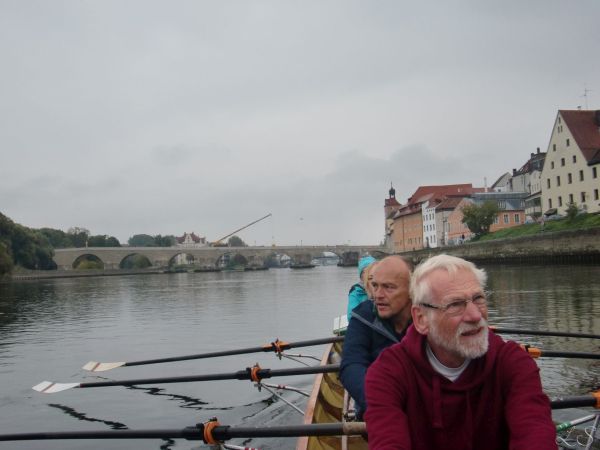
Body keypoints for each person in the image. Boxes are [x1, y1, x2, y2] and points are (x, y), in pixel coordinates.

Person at [364, 254, 556, 450]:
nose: (475, 315)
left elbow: (534, 433)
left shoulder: (514, 363)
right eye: (455, 304)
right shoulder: (387, 374)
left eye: (478, 298)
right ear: (421, 319)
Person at [340, 255, 413, 420]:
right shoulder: (362, 316)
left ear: (412, 289)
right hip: (377, 409)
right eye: (375, 286)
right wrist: (379, 402)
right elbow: (351, 366)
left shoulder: (428, 316)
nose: (377, 295)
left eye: (389, 287)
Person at [346, 255, 377, 320]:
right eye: (365, 271)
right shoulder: (356, 292)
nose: (369, 273)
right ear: (361, 276)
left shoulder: (383, 287)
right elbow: (351, 316)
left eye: (372, 270)